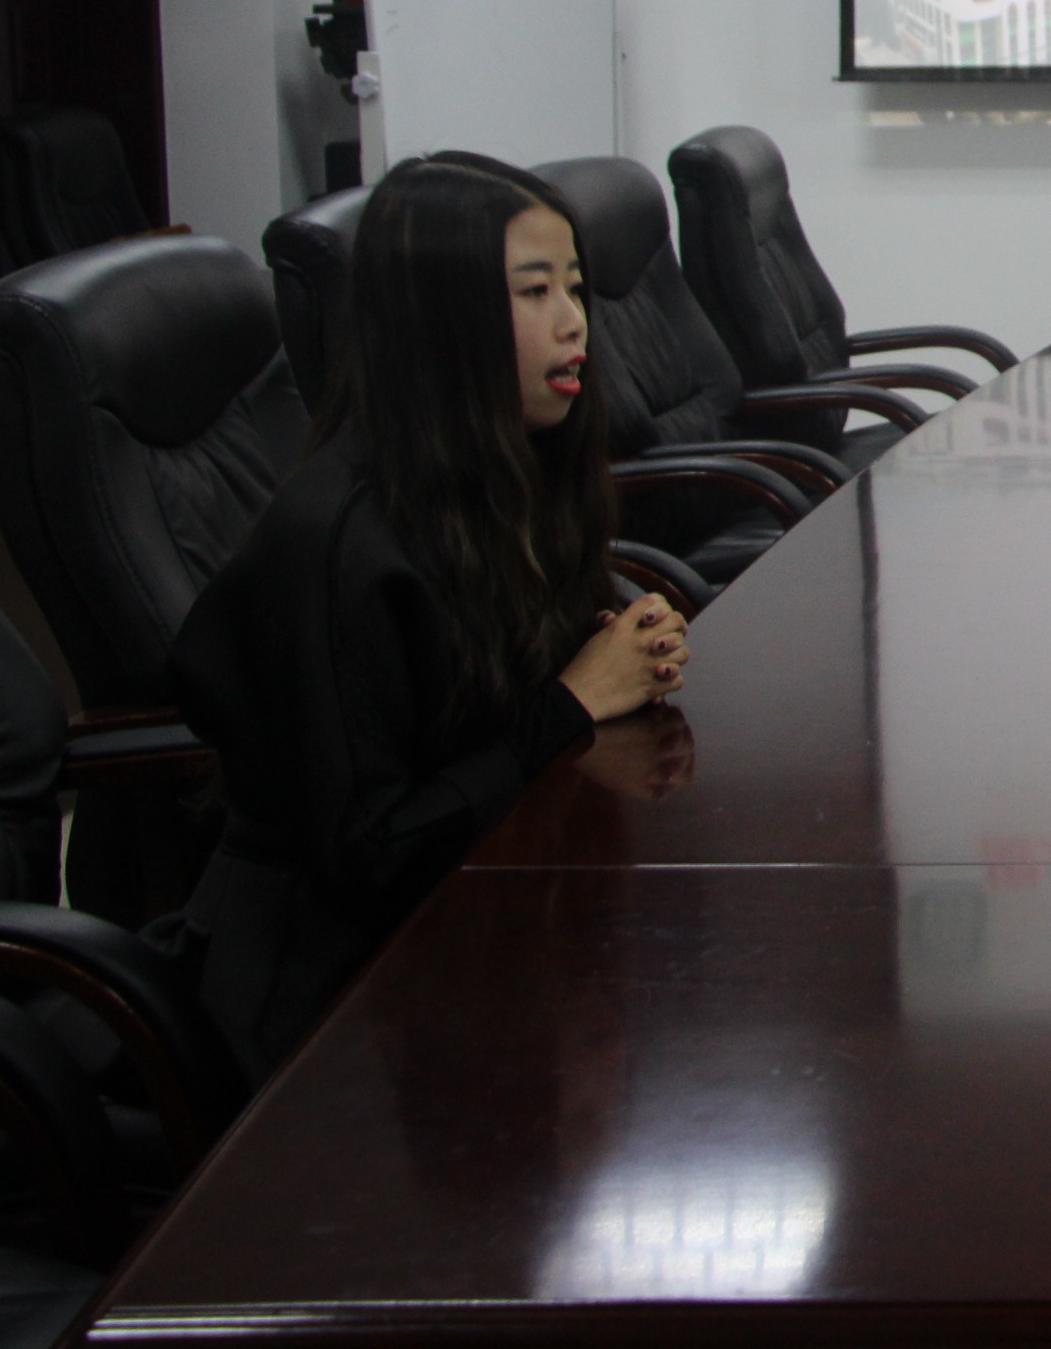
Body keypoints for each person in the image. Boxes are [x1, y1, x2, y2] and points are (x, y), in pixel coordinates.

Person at [165, 153, 691, 1077]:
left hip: (477, 922)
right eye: (534, 292)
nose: (574, 320)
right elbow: (371, 855)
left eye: (574, 287)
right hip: (330, 1011)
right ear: (441, 320)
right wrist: (574, 701)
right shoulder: (341, 543)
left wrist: (616, 650)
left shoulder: (503, 476)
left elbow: (492, 707)